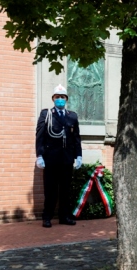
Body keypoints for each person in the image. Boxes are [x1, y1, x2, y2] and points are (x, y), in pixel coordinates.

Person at [35, 84, 82, 228]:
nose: (60, 99)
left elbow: (76, 138)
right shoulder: (46, 114)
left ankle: (64, 216)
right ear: (53, 99)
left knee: (65, 190)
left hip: (67, 159)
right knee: (50, 190)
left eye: (62, 97)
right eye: (57, 97)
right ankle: (47, 217)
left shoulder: (72, 116)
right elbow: (40, 135)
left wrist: (78, 155)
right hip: (51, 158)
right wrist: (40, 155)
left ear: (66, 99)